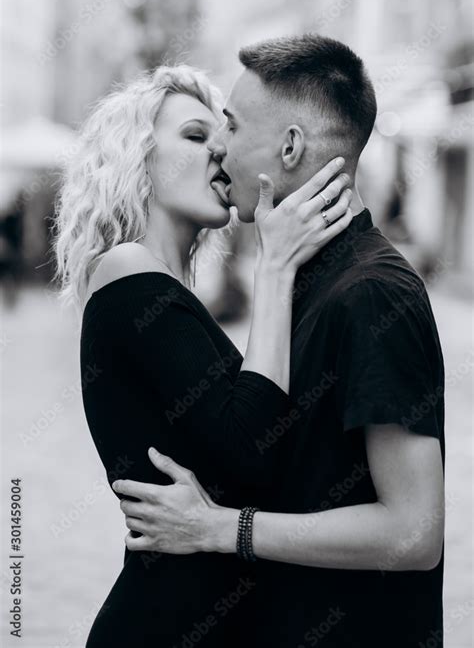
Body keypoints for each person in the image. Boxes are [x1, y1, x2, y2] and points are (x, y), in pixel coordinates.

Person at [114, 34, 446, 648]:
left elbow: (413, 532)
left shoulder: (374, 292)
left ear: (290, 146)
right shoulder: (301, 279)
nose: (218, 144)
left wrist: (221, 528)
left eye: (232, 127)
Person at [54, 63, 353, 646]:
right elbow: (252, 447)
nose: (220, 151)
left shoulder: (164, 290)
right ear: (136, 157)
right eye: (195, 136)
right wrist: (274, 266)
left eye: (224, 135)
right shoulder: (126, 269)